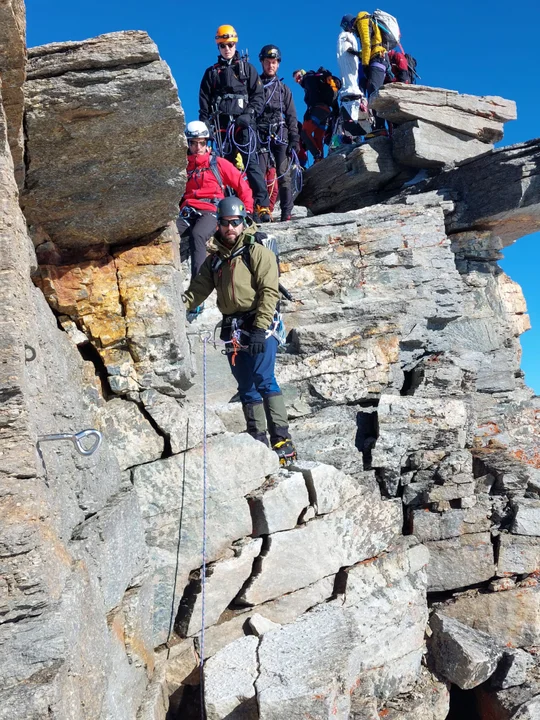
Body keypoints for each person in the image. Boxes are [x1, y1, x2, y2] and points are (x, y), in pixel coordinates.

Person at [182, 196, 297, 465]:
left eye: (235, 222)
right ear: (218, 225)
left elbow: (269, 292)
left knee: (264, 378)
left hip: (260, 324)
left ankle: (282, 440)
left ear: (243, 222)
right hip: (233, 328)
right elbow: (198, 290)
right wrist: (178, 305)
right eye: (225, 223)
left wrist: (259, 329)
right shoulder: (216, 261)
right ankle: (256, 438)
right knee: (246, 385)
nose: (230, 228)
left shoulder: (257, 253)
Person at [199, 25, 272, 222]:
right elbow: (204, 104)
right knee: (225, 167)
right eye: (223, 45)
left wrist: (249, 114)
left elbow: (258, 96)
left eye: (230, 44)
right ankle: (231, 207)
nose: (227, 48)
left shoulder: (247, 69)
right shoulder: (211, 73)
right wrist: (207, 128)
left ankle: (262, 206)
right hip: (222, 127)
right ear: (218, 46)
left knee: (252, 165)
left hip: (244, 126)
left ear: (235, 44)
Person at [178, 121, 253, 287]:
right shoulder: (182, 166)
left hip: (211, 209)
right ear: (187, 143)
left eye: (202, 143)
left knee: (198, 235)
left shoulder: (217, 163)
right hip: (188, 210)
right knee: (169, 235)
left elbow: (241, 184)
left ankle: (197, 287)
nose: (198, 147)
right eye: (194, 143)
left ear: (207, 143)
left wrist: (247, 211)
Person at [257, 45, 300, 222]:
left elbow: (291, 115)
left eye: (274, 62)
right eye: (268, 62)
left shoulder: (284, 89)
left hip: (280, 134)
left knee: (283, 174)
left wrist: (294, 138)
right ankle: (261, 210)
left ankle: (286, 213)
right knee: (258, 173)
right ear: (262, 62)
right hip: (259, 134)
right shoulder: (255, 86)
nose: (271, 66)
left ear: (278, 64)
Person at [293, 68, 340, 163]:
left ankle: (317, 156)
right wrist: (336, 111)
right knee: (318, 137)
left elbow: (313, 93)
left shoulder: (308, 78)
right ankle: (320, 160)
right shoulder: (317, 79)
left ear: (302, 73)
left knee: (305, 132)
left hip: (317, 109)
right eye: (296, 80)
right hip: (326, 112)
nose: (298, 81)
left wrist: (309, 111)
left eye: (298, 77)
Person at [335, 14, 370, 143]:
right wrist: (359, 53)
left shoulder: (348, 36)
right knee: (350, 76)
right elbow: (346, 50)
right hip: (349, 73)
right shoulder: (345, 36)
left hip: (351, 71)